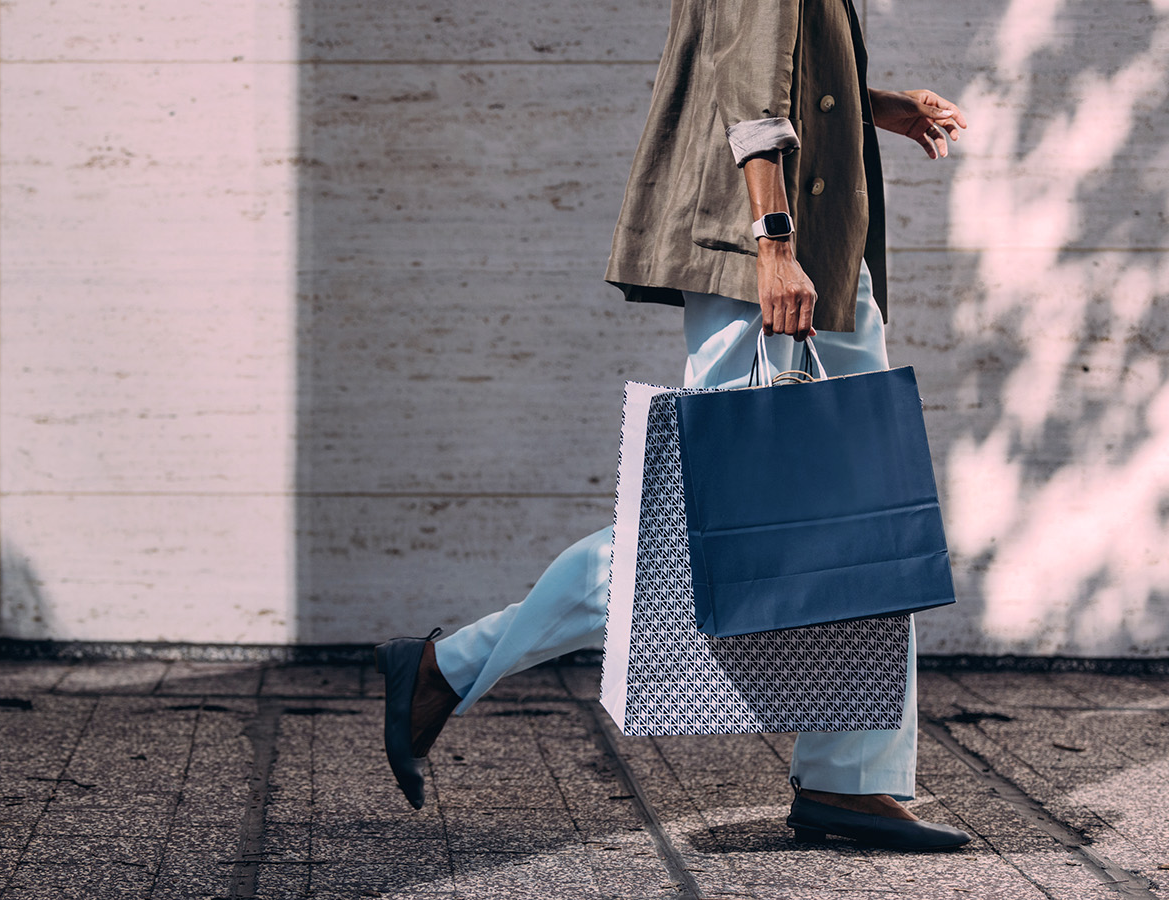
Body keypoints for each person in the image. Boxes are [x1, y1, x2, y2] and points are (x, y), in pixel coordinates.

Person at [375, 0, 973, 851]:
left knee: (864, 509)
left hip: (819, 239)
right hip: (765, 249)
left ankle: (854, 779)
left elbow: (777, 63)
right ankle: (446, 667)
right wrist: (772, 242)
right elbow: (747, 76)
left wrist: (875, 104)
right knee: (717, 526)